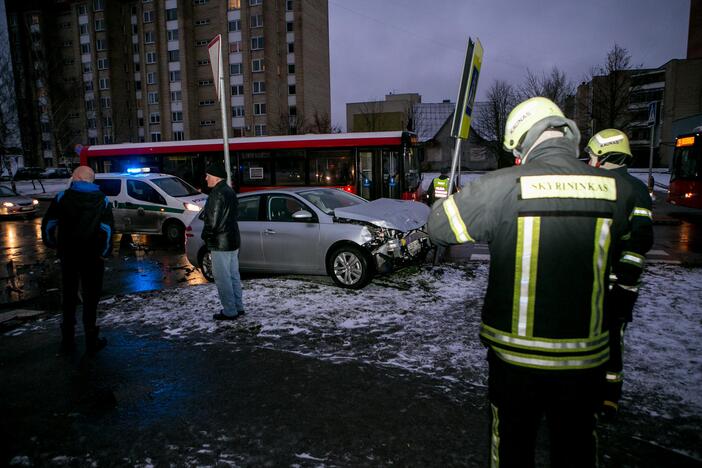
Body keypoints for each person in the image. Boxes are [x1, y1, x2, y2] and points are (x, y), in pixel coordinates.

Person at [427, 97, 638, 467]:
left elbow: (439, 229)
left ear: (523, 140)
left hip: (515, 360)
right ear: (565, 134)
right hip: (585, 360)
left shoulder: (501, 186)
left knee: (513, 450)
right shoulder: (616, 190)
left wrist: (443, 197)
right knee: (575, 450)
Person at [586, 129, 654, 419]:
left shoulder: (615, 188)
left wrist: (624, 281)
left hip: (610, 282)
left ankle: (605, 397)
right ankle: (606, 398)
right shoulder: (635, 188)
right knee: (612, 340)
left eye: (591, 155)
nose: (588, 161)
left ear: (603, 157)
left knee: (604, 339)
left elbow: (638, 242)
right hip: (616, 283)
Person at [41, 166, 113, 354]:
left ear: (76, 178)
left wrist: (52, 243)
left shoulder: (62, 197)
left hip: (69, 255)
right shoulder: (102, 200)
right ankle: (91, 338)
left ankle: (68, 339)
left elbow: (48, 224)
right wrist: (104, 253)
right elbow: (107, 230)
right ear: (91, 180)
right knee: (91, 297)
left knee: (69, 295)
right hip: (93, 257)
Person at [200, 162, 244, 320]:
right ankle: (238, 307)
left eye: (208, 176)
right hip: (232, 240)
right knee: (233, 275)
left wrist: (206, 236)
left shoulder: (216, 194)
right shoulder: (229, 191)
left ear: (215, 177)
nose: (205, 179)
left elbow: (213, 221)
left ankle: (229, 311)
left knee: (222, 278)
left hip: (220, 243)